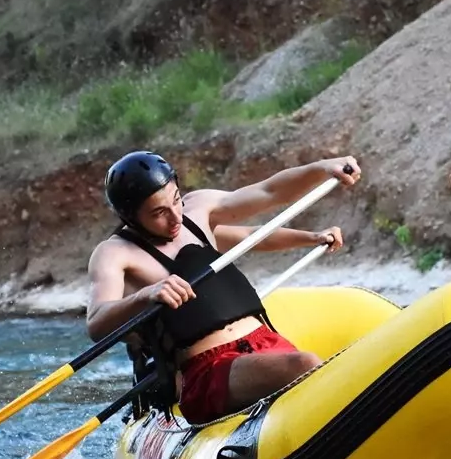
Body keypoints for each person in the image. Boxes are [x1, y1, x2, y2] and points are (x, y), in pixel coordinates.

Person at [86, 150, 360, 425]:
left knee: (330, 372)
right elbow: (97, 321)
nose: (175, 218)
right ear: (130, 216)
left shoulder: (199, 209)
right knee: (305, 365)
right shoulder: (114, 253)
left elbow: (269, 191)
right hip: (206, 370)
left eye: (176, 200)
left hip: (266, 342)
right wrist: (146, 294)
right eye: (159, 212)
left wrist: (323, 168)